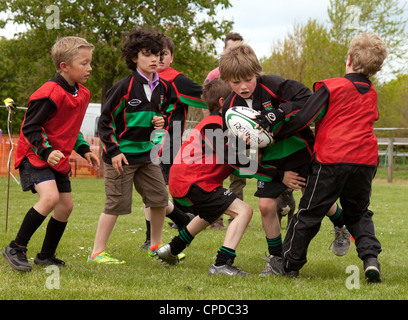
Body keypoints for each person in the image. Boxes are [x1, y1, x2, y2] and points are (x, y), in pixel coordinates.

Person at [266, 33, 387, 282]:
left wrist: (274, 135)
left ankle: (289, 265)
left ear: (349, 59)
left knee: (309, 212)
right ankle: (370, 259)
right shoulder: (371, 93)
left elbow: (303, 118)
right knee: (359, 213)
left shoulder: (332, 86)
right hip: (365, 161)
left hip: (332, 159)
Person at [219, 44, 346, 275]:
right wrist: (245, 145)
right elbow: (232, 150)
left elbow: (309, 99)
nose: (243, 87)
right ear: (226, 80)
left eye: (248, 79)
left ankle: (341, 224)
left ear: (256, 73)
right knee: (266, 206)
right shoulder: (229, 107)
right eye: (235, 82)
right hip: (272, 162)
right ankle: (276, 259)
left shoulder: (275, 85)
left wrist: (279, 112)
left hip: (300, 151)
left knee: (318, 200)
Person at [88, 28, 190, 264]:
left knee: (159, 199)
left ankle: (155, 246)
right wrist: (113, 151)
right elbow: (104, 122)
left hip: (148, 155)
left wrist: (161, 120)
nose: (155, 59)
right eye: (148, 54)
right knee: (115, 205)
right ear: (134, 57)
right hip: (120, 157)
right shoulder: (123, 87)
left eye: (158, 54)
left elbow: (161, 114)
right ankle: (97, 253)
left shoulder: (163, 88)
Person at [156, 78, 278, 275]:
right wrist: (274, 174)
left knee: (209, 213)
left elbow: (229, 155)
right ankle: (222, 263)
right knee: (244, 211)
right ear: (224, 102)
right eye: (237, 98)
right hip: (194, 183)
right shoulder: (215, 124)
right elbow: (233, 159)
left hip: (185, 183)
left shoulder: (217, 125)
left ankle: (171, 250)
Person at [2, 36, 99, 272]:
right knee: (50, 198)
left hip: (58, 159)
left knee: (65, 206)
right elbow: (30, 128)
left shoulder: (83, 94)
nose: (90, 68)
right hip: (35, 155)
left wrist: (84, 150)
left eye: (90, 62)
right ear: (64, 66)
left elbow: (71, 129)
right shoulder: (47, 93)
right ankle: (16, 248)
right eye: (84, 63)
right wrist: (47, 152)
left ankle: (45, 256)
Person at [140, 35, 205, 249]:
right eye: (153, 54)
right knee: (151, 194)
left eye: (163, 54)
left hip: (168, 145)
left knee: (158, 192)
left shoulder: (176, 80)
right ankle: (173, 225)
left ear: (171, 57)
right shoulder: (140, 80)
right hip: (144, 144)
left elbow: (209, 97)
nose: (158, 59)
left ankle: (182, 221)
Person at [204, 32, 245, 230]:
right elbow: (207, 102)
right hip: (219, 131)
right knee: (216, 173)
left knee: (238, 175)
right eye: (232, 49)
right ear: (223, 50)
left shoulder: (246, 74)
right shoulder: (213, 75)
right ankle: (215, 219)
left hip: (239, 132)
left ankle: (236, 218)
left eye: (239, 48)